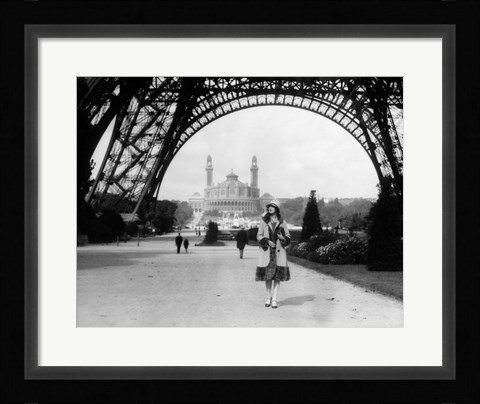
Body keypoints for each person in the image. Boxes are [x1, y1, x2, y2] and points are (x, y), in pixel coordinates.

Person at [255, 201, 291, 309]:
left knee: (277, 277)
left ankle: (274, 299)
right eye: (269, 206)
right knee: (268, 277)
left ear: (277, 209)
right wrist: (266, 241)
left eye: (273, 207)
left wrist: (282, 238)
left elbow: (288, 236)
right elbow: (258, 235)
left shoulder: (282, 222)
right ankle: (268, 297)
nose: (270, 208)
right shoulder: (264, 221)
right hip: (267, 252)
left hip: (279, 253)